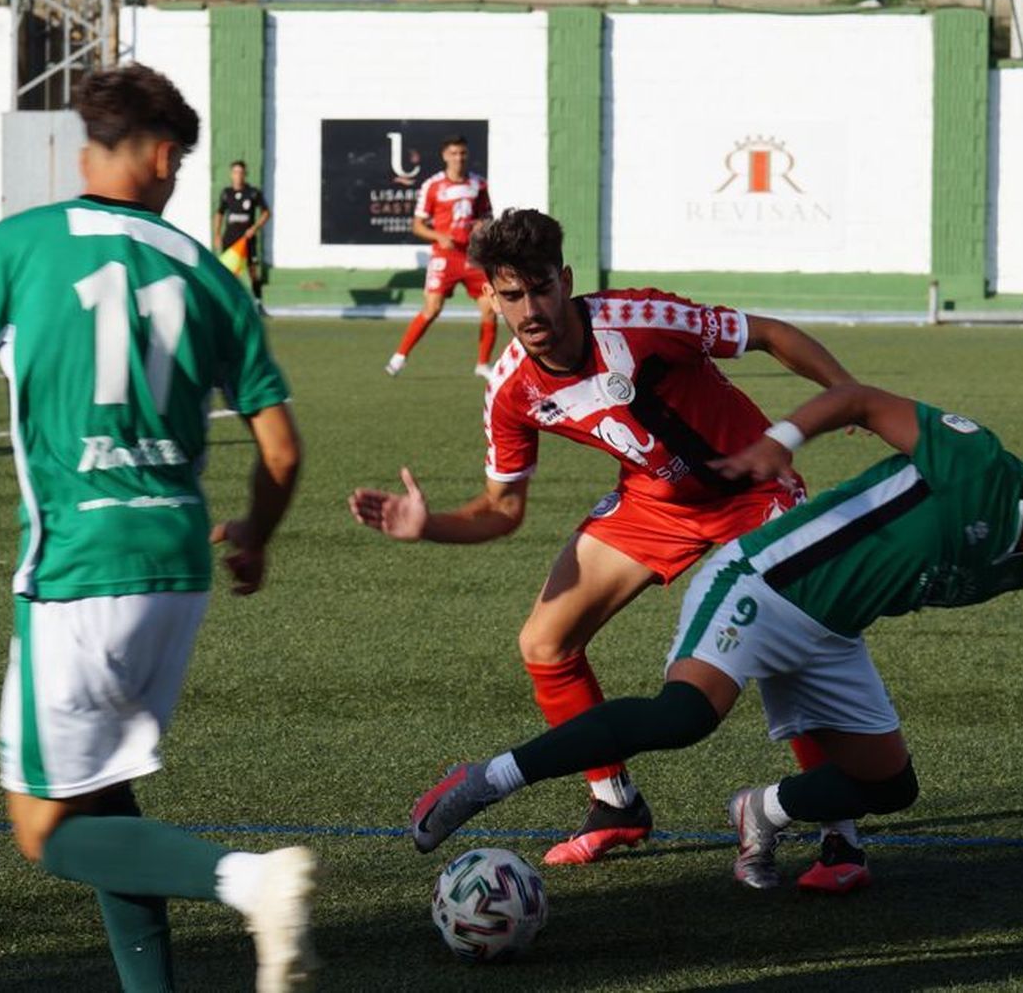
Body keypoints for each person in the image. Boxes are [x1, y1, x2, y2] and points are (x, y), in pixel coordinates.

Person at [0, 65, 316, 993]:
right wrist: (256, 536)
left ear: (91, 142)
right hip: (179, 569)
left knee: (46, 829)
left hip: (80, 571)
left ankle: (247, 880)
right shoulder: (210, 274)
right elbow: (281, 452)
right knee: (104, 794)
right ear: (163, 156)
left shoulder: (14, 246)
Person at [408, 384, 1023, 892]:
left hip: (832, 636)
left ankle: (761, 811)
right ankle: (485, 780)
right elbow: (855, 399)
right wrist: (780, 441)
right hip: (763, 583)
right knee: (684, 716)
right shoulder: (977, 463)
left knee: (892, 786)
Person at [351, 208, 863, 878]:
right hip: (654, 501)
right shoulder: (511, 389)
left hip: (752, 488)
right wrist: (429, 525)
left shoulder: (641, 320)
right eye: (512, 295)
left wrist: (845, 392)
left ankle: (840, 831)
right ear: (490, 296)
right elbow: (503, 511)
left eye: (541, 288)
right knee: (544, 642)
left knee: (784, 645)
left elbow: (762, 333)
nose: (531, 308)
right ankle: (614, 803)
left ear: (564, 281)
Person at [384, 135, 498, 379]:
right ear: (445, 155)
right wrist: (438, 236)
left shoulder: (479, 184)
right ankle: (400, 356)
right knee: (432, 308)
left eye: (462, 153)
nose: (459, 158)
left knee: (490, 309)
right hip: (444, 257)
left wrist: (482, 225)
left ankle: (482, 364)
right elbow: (417, 225)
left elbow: (488, 218)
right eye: (454, 153)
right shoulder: (433, 185)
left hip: (473, 257)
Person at [215, 159, 272, 314]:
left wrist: (254, 228)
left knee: (253, 271)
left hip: (247, 239)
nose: (238, 175)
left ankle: (258, 303)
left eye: (241, 172)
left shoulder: (253, 193)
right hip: (230, 239)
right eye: (235, 172)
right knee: (228, 272)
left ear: (245, 174)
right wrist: (217, 234)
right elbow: (219, 214)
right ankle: (228, 304)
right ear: (231, 174)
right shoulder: (226, 194)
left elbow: (266, 213)